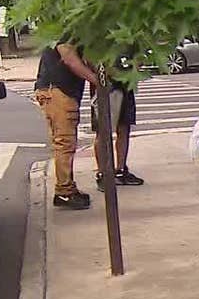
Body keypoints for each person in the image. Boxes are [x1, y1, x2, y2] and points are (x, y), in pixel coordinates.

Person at [34, 37, 102, 210]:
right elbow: (70, 59)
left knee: (65, 141)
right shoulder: (63, 28)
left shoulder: (70, 29)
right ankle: (64, 191)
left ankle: (67, 187)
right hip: (58, 91)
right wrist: (97, 80)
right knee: (64, 141)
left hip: (59, 91)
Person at [92, 54, 145, 191]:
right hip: (105, 84)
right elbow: (90, 59)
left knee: (124, 127)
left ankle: (120, 169)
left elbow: (138, 57)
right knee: (103, 130)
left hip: (125, 83)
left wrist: (137, 63)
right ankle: (102, 173)